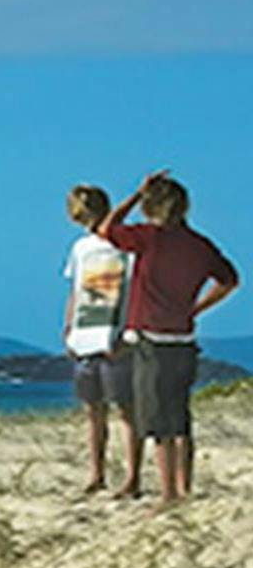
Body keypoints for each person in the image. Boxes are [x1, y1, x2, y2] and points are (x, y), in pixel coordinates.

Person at [97, 170, 239, 506]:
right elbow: (230, 280)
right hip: (184, 338)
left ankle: (169, 494)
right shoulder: (200, 245)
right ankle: (184, 487)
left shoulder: (150, 237)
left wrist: (134, 193)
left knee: (159, 421)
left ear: (150, 207)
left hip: (152, 338)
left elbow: (107, 229)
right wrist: (196, 308)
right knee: (180, 415)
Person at [62, 185, 139, 496]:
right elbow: (76, 289)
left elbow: (136, 288)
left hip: (115, 334)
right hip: (85, 335)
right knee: (93, 411)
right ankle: (97, 474)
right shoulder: (81, 248)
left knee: (125, 409)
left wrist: (130, 332)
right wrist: (68, 327)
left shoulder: (125, 246)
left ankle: (132, 478)